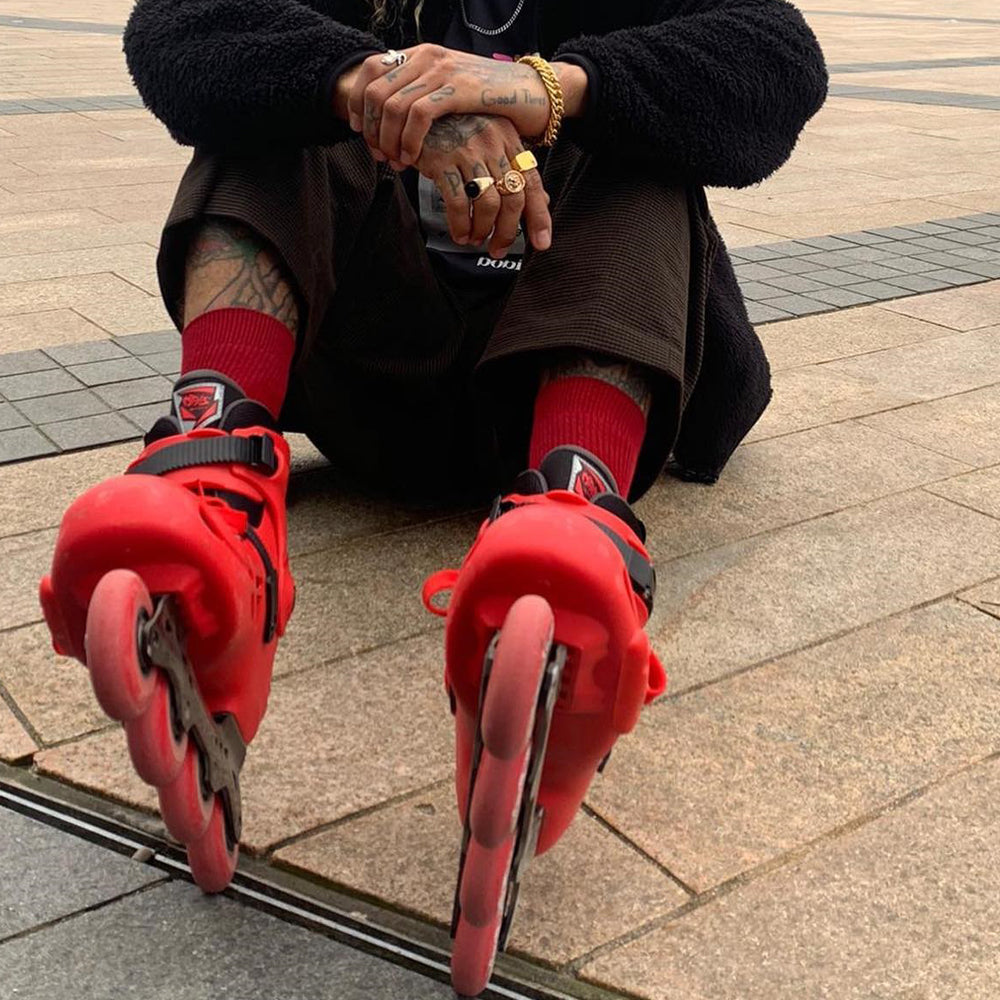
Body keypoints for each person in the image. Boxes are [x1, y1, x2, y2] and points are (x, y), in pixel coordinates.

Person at [40, 0, 826, 987]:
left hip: (563, 374)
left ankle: (576, 512)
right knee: (279, 93)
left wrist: (538, 91)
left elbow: (778, 61)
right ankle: (215, 492)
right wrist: (375, 89)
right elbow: (175, 29)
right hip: (375, 376)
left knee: (641, 131)